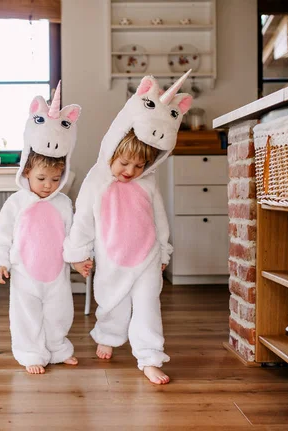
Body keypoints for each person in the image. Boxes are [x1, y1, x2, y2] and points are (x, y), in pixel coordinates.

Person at [64, 71, 193, 384]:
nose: (131, 171)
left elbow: (159, 218)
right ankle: (107, 335)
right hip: (112, 257)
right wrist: (79, 253)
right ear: (112, 150)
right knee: (112, 302)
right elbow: (83, 218)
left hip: (147, 256)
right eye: (124, 163)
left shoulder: (147, 184)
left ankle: (149, 357)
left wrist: (163, 249)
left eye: (140, 166)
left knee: (148, 305)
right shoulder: (97, 180)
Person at [0, 82, 82, 374]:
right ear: (27, 172)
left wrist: (80, 258)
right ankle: (31, 352)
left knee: (59, 313)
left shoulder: (64, 204)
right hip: (24, 274)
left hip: (56, 273)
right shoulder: (16, 203)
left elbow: (73, 236)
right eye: (42, 178)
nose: (48, 185)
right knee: (26, 315)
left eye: (56, 180)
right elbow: (2, 235)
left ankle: (57, 347)